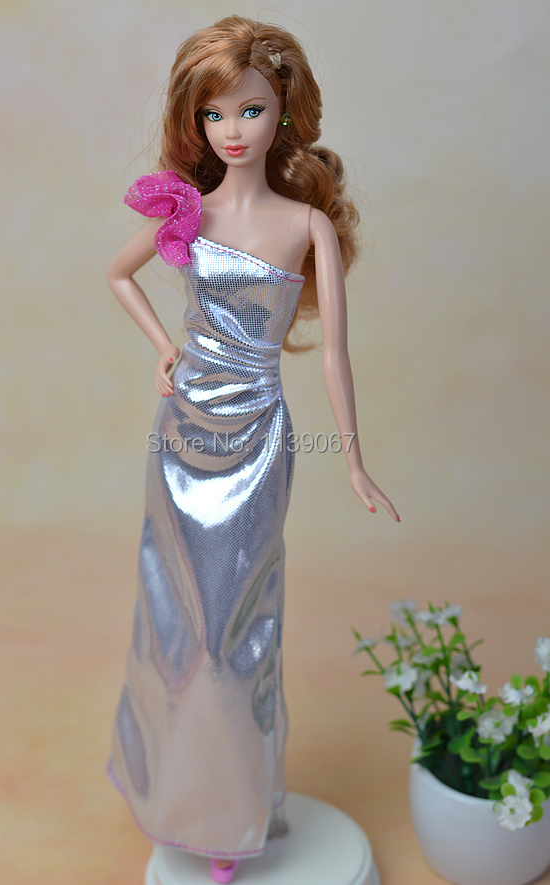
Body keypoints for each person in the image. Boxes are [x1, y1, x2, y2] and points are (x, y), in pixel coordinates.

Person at [106, 15, 399, 883]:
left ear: (284, 113)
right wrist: (164, 345)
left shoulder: (307, 225)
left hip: (258, 443)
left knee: (239, 632)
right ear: (195, 121)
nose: (232, 131)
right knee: (175, 623)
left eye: (251, 110)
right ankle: (180, 798)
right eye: (214, 115)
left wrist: (354, 459)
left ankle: (235, 813)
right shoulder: (186, 211)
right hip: (181, 438)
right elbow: (118, 274)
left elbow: (336, 354)